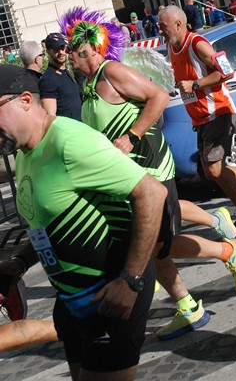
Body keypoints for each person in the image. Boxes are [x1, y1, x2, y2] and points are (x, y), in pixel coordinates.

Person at [60, 6, 236, 340]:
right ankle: (190, 307)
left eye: (70, 49)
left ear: (88, 48)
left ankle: (229, 251)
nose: (65, 56)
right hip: (127, 176)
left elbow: (159, 96)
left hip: (152, 167)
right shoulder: (90, 84)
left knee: (155, 247)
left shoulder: (113, 73)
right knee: (151, 248)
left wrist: (131, 135)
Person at [0, 63, 167, 380]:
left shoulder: (69, 141)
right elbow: (50, 221)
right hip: (72, 299)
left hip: (110, 292)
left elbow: (152, 193)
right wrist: (19, 262)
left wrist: (131, 280)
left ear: (24, 100)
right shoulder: (25, 151)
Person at [158, 5, 236, 234]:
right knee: (211, 171)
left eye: (162, 26)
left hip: (219, 112)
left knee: (214, 170)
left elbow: (226, 71)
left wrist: (194, 85)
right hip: (202, 117)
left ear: (178, 24)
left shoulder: (197, 43)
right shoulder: (171, 47)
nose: (159, 30)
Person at [39, 33, 82, 121]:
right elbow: (50, 117)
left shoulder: (65, 72)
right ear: (48, 51)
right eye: (56, 50)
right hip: (69, 131)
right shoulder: (48, 80)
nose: (61, 52)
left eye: (62, 48)